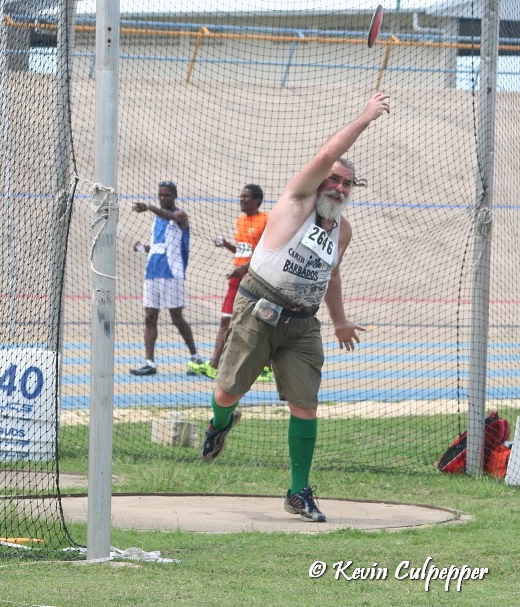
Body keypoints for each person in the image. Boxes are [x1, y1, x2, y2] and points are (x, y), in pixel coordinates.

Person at [199, 93, 390, 522]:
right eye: (334, 179)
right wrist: (365, 116)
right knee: (227, 392)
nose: (338, 187)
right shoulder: (298, 201)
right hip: (259, 308)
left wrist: (340, 322)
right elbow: (327, 153)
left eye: (346, 184)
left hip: (303, 324)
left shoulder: (342, 230)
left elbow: (331, 276)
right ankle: (219, 423)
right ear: (321, 179)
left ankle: (297, 492)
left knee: (305, 406)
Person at [192, 184, 272, 382]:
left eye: (246, 197)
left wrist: (243, 269)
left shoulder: (265, 221)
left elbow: (265, 253)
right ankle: (213, 365)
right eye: (241, 196)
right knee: (225, 319)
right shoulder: (240, 220)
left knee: (260, 321)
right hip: (236, 278)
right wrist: (227, 245)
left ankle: (266, 367)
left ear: (257, 201)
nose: (241, 200)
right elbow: (244, 251)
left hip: (257, 279)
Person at [129, 180, 204, 376]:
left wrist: (149, 207)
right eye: (160, 195)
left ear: (174, 196)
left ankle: (195, 356)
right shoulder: (156, 220)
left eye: (166, 195)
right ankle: (150, 363)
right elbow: (159, 246)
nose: (163, 198)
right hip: (152, 272)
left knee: (177, 318)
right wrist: (143, 248)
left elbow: (169, 215)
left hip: (172, 274)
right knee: (149, 317)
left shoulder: (180, 216)